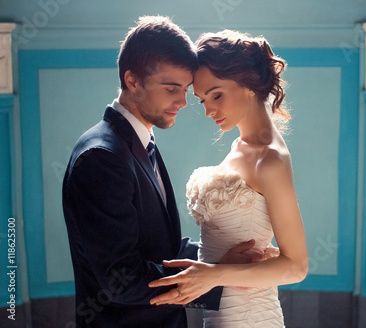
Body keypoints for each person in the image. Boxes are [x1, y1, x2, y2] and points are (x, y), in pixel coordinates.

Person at [62, 17, 263, 328]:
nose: (183, 102)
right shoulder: (101, 157)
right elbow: (122, 280)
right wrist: (216, 275)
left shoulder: (140, 142)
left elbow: (159, 249)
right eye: (171, 88)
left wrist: (221, 258)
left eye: (185, 89)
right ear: (132, 80)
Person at [149, 30, 309, 327]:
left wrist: (213, 274)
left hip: (252, 316)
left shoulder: (270, 158)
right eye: (202, 100)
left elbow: (296, 266)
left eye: (216, 95)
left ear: (248, 82)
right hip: (221, 314)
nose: (208, 110)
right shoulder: (239, 147)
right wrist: (213, 270)